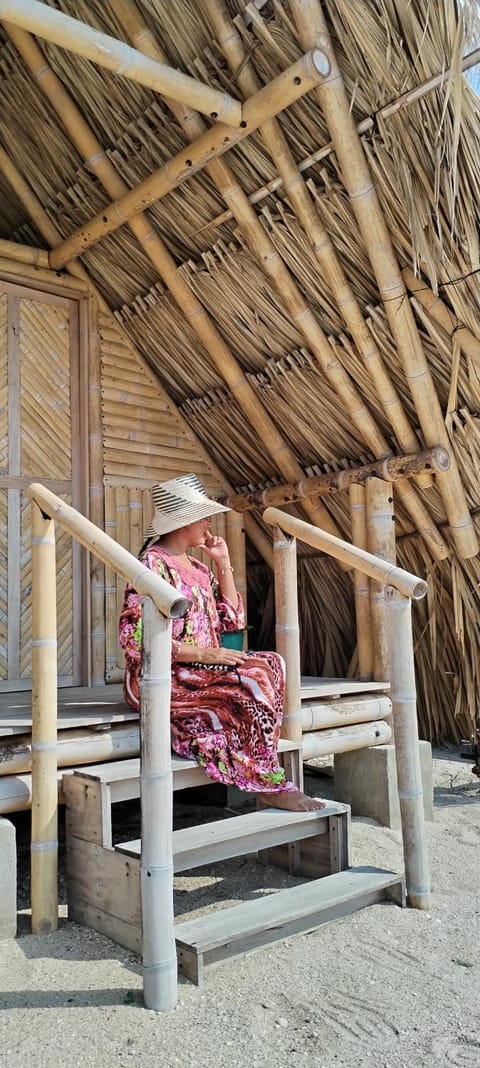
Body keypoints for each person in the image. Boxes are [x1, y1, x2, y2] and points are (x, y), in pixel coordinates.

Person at [119, 473, 324, 812]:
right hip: (165, 675)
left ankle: (261, 765)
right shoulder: (152, 564)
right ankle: (266, 782)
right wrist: (201, 652)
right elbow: (134, 638)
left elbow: (233, 622)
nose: (209, 523)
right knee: (251, 682)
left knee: (270, 663)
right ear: (183, 519)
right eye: (203, 515)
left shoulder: (199, 568)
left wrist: (223, 564)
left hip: (203, 668)